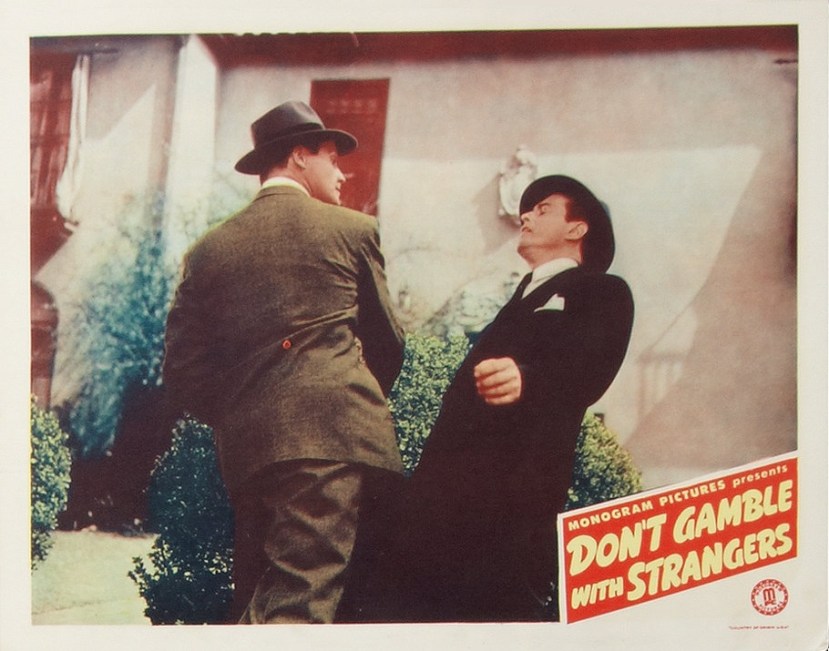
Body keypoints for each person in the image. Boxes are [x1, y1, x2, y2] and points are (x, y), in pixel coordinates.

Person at [162, 100, 406, 624]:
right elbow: (388, 343)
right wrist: (340, 396)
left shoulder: (208, 250)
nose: (342, 173)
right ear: (298, 156)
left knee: (262, 594)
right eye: (332, 158)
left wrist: (243, 410)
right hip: (331, 440)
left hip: (248, 454)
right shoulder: (352, 229)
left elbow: (182, 372)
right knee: (299, 603)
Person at [370, 174, 634, 623]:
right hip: (444, 507)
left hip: (509, 511)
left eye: (543, 209)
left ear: (577, 228)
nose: (525, 216)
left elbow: (591, 366)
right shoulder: (519, 300)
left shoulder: (601, 290)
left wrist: (529, 380)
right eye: (527, 209)